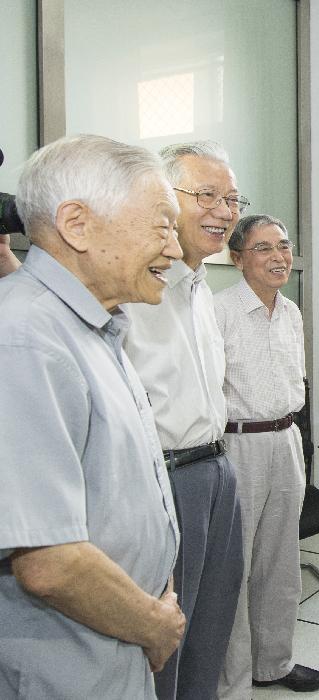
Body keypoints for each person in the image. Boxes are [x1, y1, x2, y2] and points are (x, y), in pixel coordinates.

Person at [0, 134, 184, 698]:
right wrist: (155, 625)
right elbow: (48, 561)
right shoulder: (28, 340)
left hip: (114, 637)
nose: (174, 250)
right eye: (162, 226)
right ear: (77, 224)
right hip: (71, 662)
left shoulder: (96, 327)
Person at [123, 140, 246, 700]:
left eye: (232, 199)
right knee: (164, 633)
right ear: (162, 201)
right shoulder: (133, 291)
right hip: (164, 479)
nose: (224, 211)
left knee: (211, 625)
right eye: (207, 196)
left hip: (218, 470)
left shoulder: (199, 286)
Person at [214, 214, 319, 696]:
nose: (279, 257)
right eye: (263, 248)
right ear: (237, 258)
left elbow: (293, 385)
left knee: (280, 562)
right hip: (237, 443)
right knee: (235, 566)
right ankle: (233, 679)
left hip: (286, 439)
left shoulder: (292, 313)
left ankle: (273, 663)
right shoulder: (217, 313)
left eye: (283, 245)